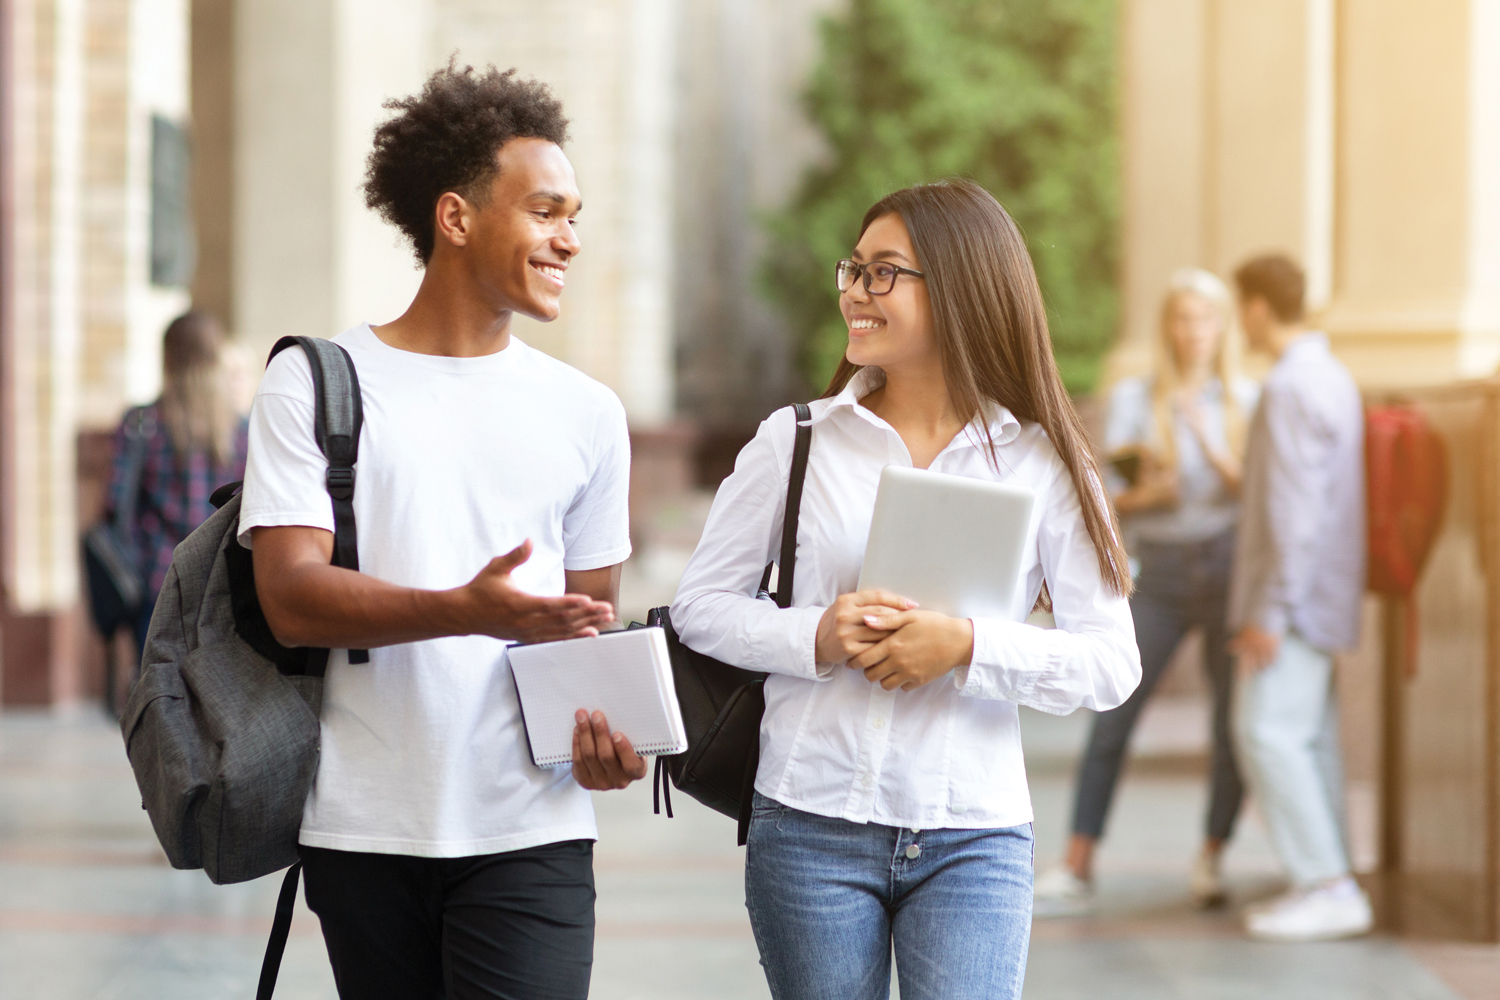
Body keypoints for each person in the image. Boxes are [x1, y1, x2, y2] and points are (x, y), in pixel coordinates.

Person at [671, 179, 1141, 1000]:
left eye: (883, 272)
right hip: (808, 823)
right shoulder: (797, 442)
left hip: (975, 836)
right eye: (853, 269)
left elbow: (1111, 663)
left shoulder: (1044, 461)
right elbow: (700, 610)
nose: (856, 289)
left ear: (960, 288)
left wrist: (966, 646)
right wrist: (817, 636)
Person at [238, 65, 646, 999]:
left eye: (575, 215)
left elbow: (585, 635)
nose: (570, 239)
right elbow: (292, 599)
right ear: (456, 218)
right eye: (546, 211)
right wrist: (465, 608)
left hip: (531, 830)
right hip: (363, 828)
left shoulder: (587, 413)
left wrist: (603, 737)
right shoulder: (315, 380)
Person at [1034, 269, 1258, 912]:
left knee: (1227, 724)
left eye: (1206, 319)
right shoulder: (1135, 398)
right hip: (1158, 570)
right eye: (1183, 318)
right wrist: (1150, 495)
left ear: (1223, 328)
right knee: (1112, 714)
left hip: (1225, 570)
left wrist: (1211, 446)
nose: (1194, 332)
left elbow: (1260, 496)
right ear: (1168, 326)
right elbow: (1106, 495)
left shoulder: (1248, 397)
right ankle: (1077, 864)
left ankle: (1212, 857)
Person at [1226, 253, 1371, 941]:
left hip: (1296, 602)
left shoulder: (1287, 386)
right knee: (1305, 739)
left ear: (1256, 307)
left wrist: (1268, 613)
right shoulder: (1331, 374)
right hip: (1324, 594)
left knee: (1266, 733)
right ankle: (1326, 878)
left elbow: (1293, 514)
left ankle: (1329, 886)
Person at [107, 311, 248, 657]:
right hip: (222, 589)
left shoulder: (141, 423)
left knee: (157, 698)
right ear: (218, 357)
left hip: (157, 585)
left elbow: (115, 505)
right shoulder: (243, 430)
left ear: (167, 357)